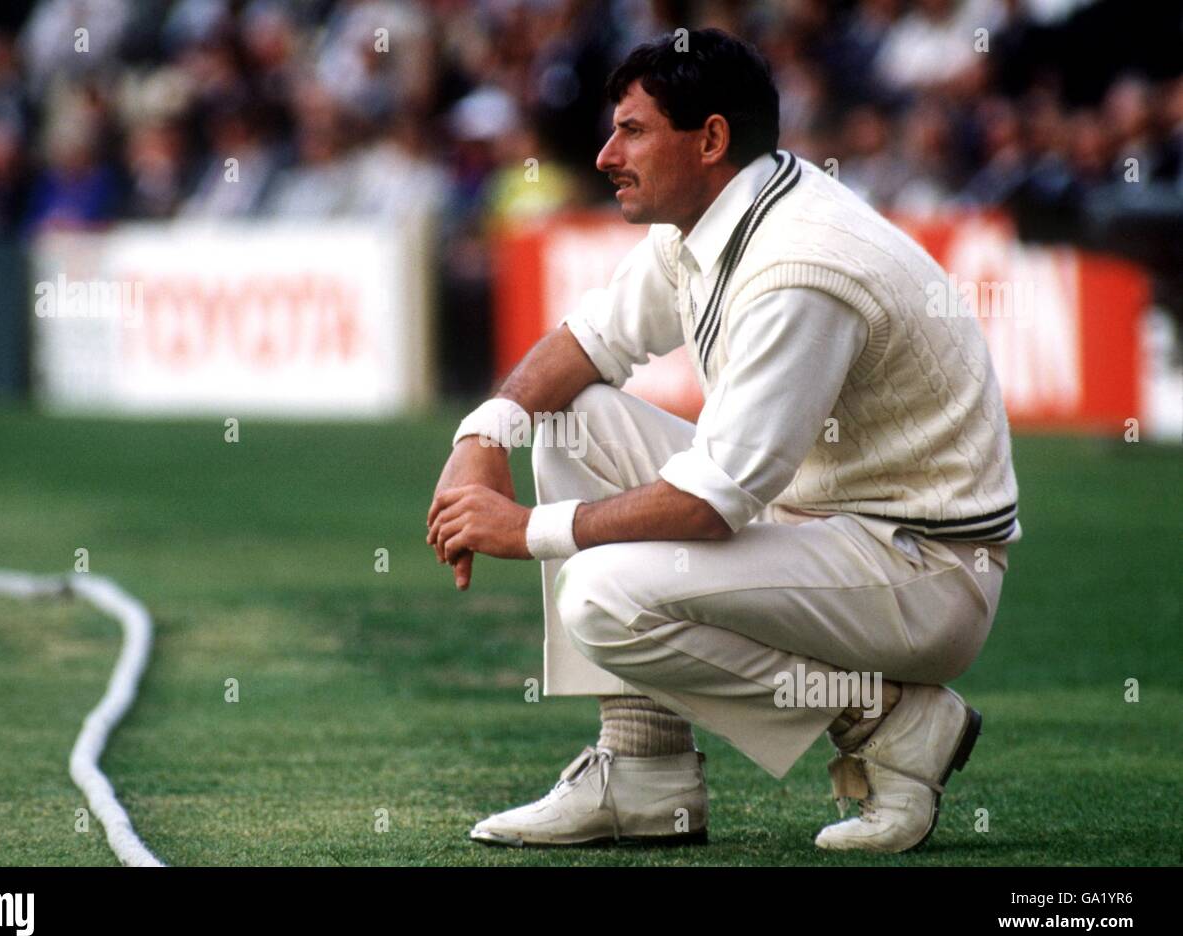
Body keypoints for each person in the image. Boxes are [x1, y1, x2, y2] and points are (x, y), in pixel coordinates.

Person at [426, 28, 1019, 853]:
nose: (604, 155)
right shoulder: (721, 209)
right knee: (573, 419)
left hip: (920, 569)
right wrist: (481, 436)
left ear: (709, 140)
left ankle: (887, 718)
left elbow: (712, 504)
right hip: (827, 525)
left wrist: (518, 530)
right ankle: (643, 777)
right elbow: (587, 343)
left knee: (600, 594)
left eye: (632, 131)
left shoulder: (802, 265)